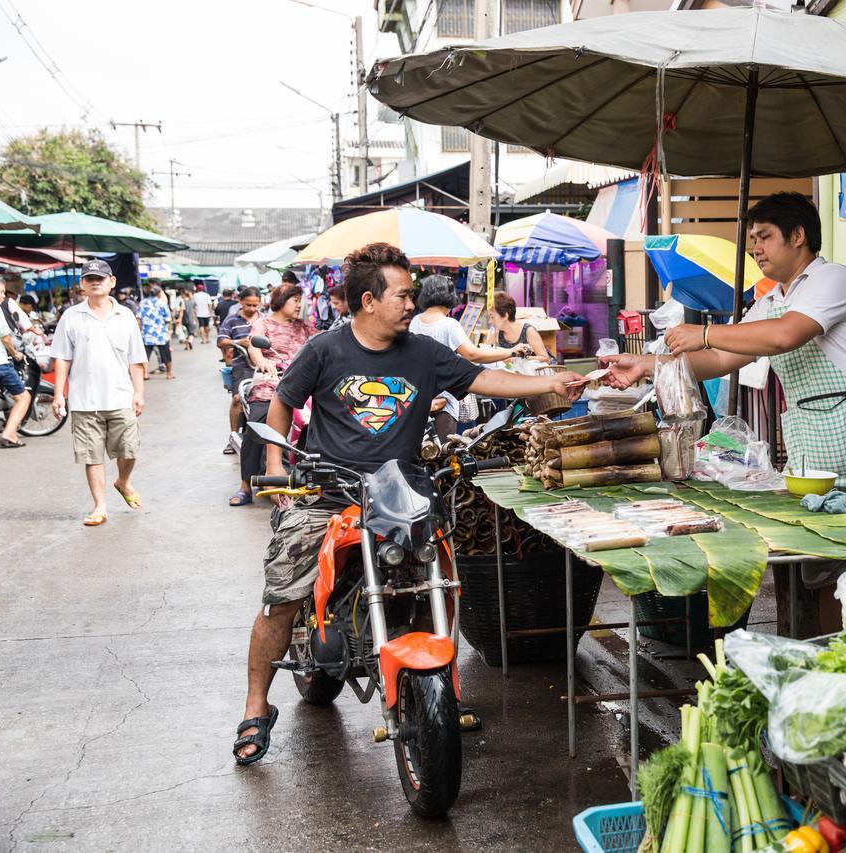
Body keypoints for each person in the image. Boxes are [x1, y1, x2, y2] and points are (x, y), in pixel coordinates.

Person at [233, 242, 584, 764]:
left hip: (402, 492)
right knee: (282, 597)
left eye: (412, 295)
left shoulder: (424, 352)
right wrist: (280, 468)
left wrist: (552, 380)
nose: (411, 303)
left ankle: (442, 691)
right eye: (402, 295)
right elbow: (283, 400)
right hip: (328, 495)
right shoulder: (325, 349)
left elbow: (486, 378)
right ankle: (255, 707)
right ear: (369, 301)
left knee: (437, 579)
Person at [602, 192, 846, 504]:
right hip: (834, 450)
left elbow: (784, 335)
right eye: (753, 240)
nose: (756, 249)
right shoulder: (771, 301)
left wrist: (704, 332)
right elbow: (719, 358)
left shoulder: (832, 278)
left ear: (797, 235)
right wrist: (646, 363)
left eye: (765, 237)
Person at [49, 259, 148, 527]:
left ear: (112, 282)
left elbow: (137, 359)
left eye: (100, 278)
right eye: (89, 278)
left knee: (128, 451)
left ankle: (123, 482)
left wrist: (139, 392)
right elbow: (62, 359)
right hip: (84, 400)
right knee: (91, 456)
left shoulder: (125, 315)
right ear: (82, 284)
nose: (95, 282)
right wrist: (59, 393)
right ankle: (100, 506)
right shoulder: (71, 316)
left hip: (120, 396)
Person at [410, 275, 530, 441]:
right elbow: (473, 354)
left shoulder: (415, 321)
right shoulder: (449, 324)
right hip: (443, 404)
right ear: (449, 296)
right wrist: (512, 352)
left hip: (416, 402)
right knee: (442, 456)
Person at [228, 283, 316, 507]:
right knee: (259, 424)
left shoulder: (305, 327)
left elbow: (321, 344)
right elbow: (254, 347)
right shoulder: (263, 323)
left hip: (304, 385)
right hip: (271, 382)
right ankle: (246, 485)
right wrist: (263, 362)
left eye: (300, 300)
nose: (299, 305)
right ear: (281, 300)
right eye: (295, 300)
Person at [218, 287, 263, 456]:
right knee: (238, 399)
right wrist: (239, 342)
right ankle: (233, 437)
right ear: (240, 302)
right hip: (242, 365)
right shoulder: (231, 320)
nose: (252, 309)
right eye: (248, 305)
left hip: (262, 365)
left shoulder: (264, 320)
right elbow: (221, 341)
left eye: (255, 305)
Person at [0, 275, 30, 449]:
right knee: (23, 397)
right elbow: (5, 338)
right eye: (1, 292)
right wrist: (15, 354)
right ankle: (9, 432)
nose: (3, 296)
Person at [489, 293, 551, 362]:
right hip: (514, 372)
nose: (490, 321)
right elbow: (487, 354)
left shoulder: (528, 331)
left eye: (492, 317)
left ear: (505, 316)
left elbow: (545, 358)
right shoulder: (497, 333)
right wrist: (492, 334)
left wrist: (516, 359)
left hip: (533, 371)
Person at [137, 284, 174, 379]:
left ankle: (145, 374)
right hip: (161, 334)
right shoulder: (162, 304)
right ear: (158, 293)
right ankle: (169, 373)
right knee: (166, 355)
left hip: (146, 334)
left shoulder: (143, 303)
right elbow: (168, 319)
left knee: (145, 356)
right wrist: (170, 331)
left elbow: (138, 318)